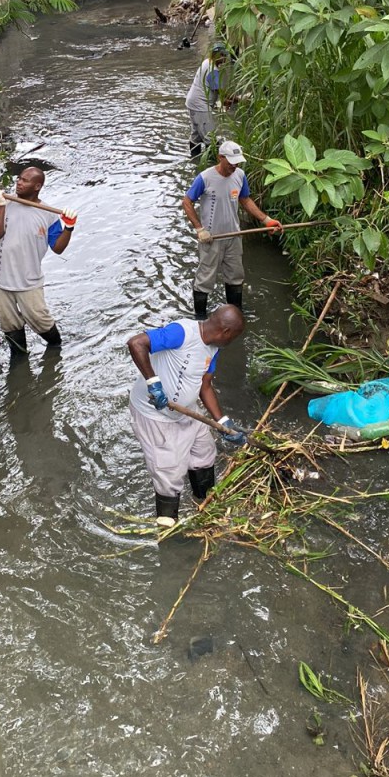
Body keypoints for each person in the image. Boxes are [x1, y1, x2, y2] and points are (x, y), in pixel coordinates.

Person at [127, 305, 246, 526]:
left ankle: (205, 505)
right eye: (234, 337)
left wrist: (222, 422)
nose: (232, 342)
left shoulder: (213, 348)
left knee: (204, 452)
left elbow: (206, 386)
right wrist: (154, 383)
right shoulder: (182, 332)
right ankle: (168, 529)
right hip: (155, 415)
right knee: (168, 472)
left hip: (188, 411)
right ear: (226, 332)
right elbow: (136, 343)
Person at [182, 139, 282, 318]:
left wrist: (266, 220)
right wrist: (199, 229)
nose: (234, 167)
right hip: (211, 238)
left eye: (237, 163)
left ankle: (236, 314)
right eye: (231, 163)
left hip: (234, 236)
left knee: (235, 276)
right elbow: (187, 201)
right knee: (205, 279)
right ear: (220, 157)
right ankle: (200, 319)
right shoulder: (205, 178)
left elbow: (245, 200)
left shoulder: (240, 175)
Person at [0, 166, 78, 354]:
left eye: (25, 180)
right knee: (9, 324)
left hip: (29, 281)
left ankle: (56, 351)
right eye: (19, 178)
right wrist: (0, 205)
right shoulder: (4, 202)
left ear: (37, 187)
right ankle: (19, 361)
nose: (19, 182)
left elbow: (58, 248)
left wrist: (68, 227)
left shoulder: (48, 214)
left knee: (40, 320)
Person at [185, 42, 229, 157]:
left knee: (196, 136)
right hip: (200, 106)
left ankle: (195, 160)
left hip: (192, 103)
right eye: (224, 56)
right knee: (211, 138)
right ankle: (212, 163)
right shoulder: (213, 71)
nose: (225, 60)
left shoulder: (206, 62)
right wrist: (240, 99)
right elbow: (222, 96)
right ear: (219, 56)